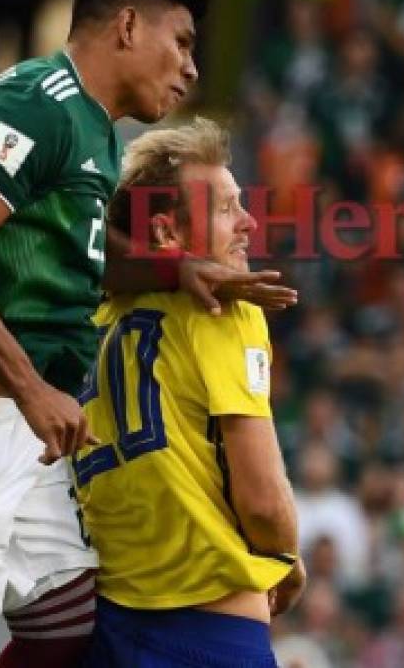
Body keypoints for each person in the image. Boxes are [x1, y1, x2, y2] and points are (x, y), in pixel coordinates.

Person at [0, 0, 296, 668]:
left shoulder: (92, 131)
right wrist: (30, 389)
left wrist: (181, 270)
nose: (191, 68)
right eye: (180, 42)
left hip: (16, 430)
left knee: (67, 619)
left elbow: (93, 258)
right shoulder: (39, 100)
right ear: (126, 26)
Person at [80, 117, 305, 668]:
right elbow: (263, 504)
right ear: (165, 234)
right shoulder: (223, 306)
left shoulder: (92, 321)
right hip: (210, 632)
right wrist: (286, 553)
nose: (250, 222)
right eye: (227, 208)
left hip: (102, 626)